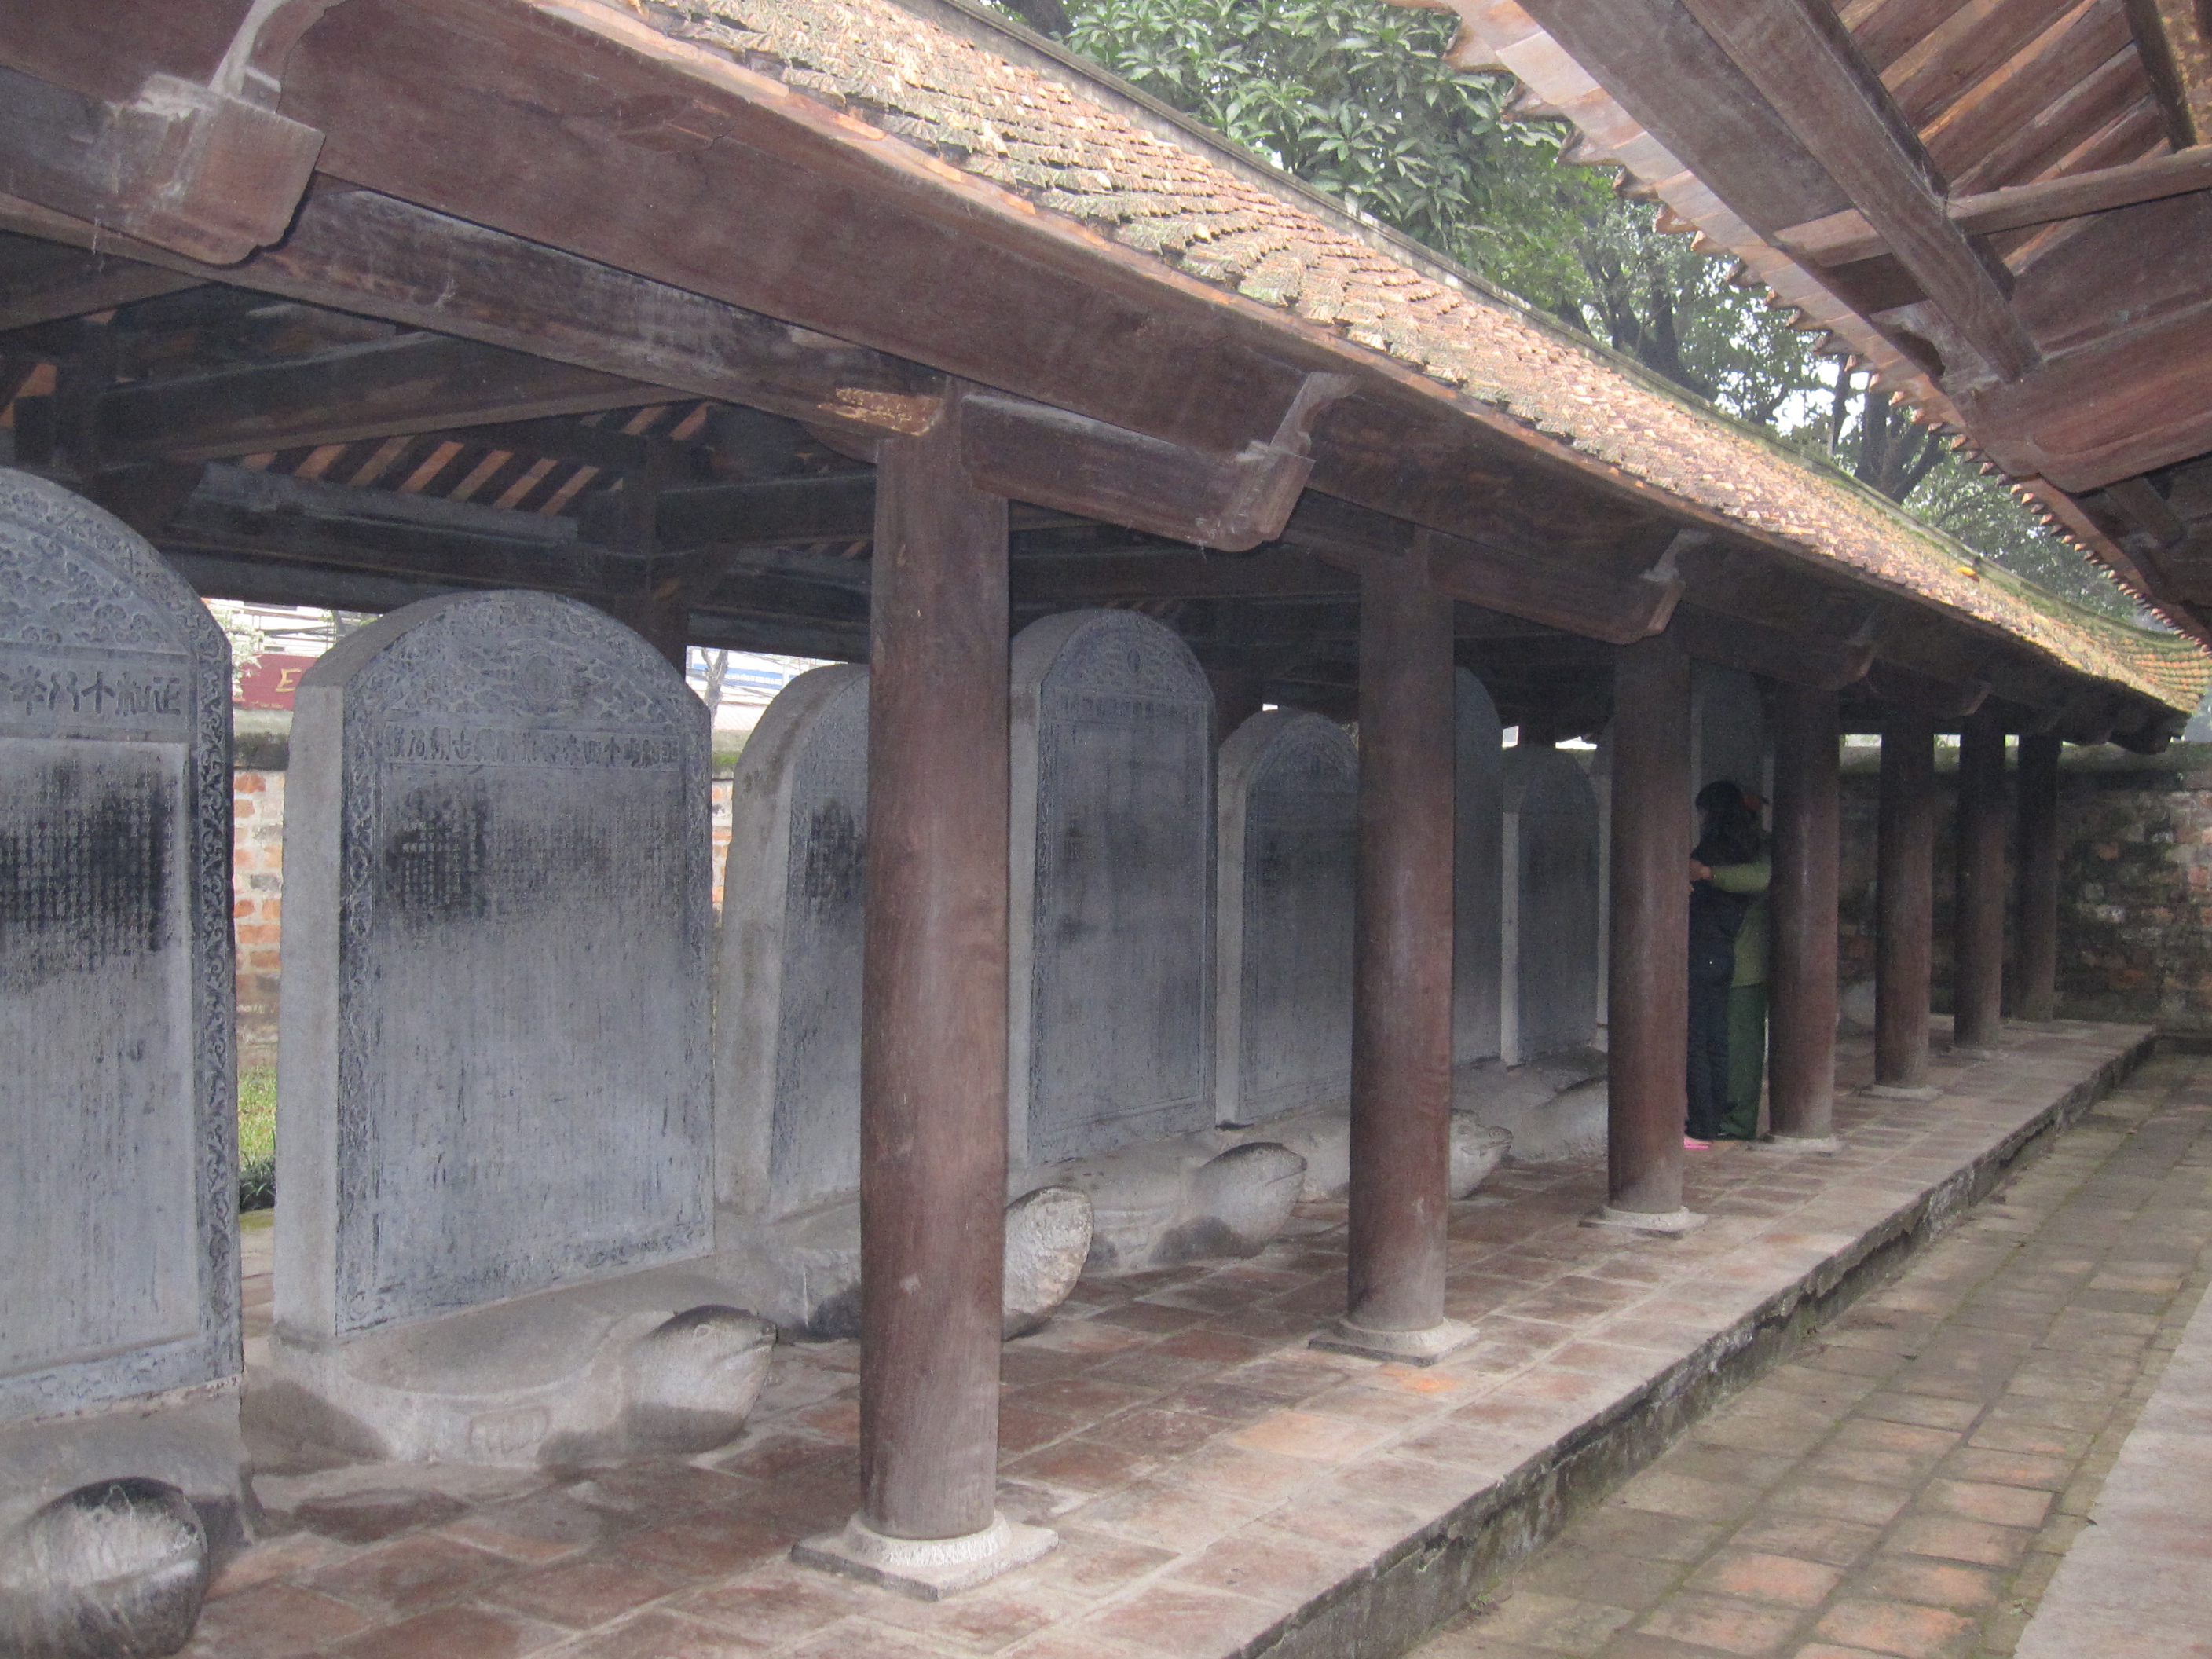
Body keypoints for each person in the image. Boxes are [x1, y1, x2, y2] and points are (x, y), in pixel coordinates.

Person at [1685, 781, 1769, 1147]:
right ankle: (1720, 1117)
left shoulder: (1752, 849)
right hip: (1727, 956)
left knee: (1734, 1049)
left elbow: (1759, 879)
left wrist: (1705, 874)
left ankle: (1731, 1122)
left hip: (1740, 962)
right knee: (1721, 1044)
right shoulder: (1743, 846)